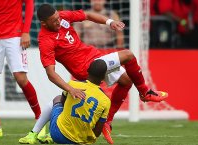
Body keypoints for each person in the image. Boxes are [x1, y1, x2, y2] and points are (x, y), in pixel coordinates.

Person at [20, 4, 168, 144]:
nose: (59, 21)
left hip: (95, 57)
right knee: (128, 55)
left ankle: (34, 133)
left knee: (126, 81)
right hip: (87, 68)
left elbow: (88, 15)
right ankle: (145, 92)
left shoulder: (63, 17)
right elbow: (50, 73)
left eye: (58, 17)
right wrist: (70, 88)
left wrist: (109, 22)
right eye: (54, 21)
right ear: (44, 23)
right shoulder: (45, 40)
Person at [0, 0, 42, 137]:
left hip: (15, 34)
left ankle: (40, 120)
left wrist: (26, 31)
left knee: (21, 78)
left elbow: (29, 3)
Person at [20, 59, 111, 144]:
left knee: (58, 98)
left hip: (58, 134)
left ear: (87, 71)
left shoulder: (73, 84)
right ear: (104, 77)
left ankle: (33, 134)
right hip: (82, 141)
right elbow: (97, 132)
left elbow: (62, 102)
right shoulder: (106, 100)